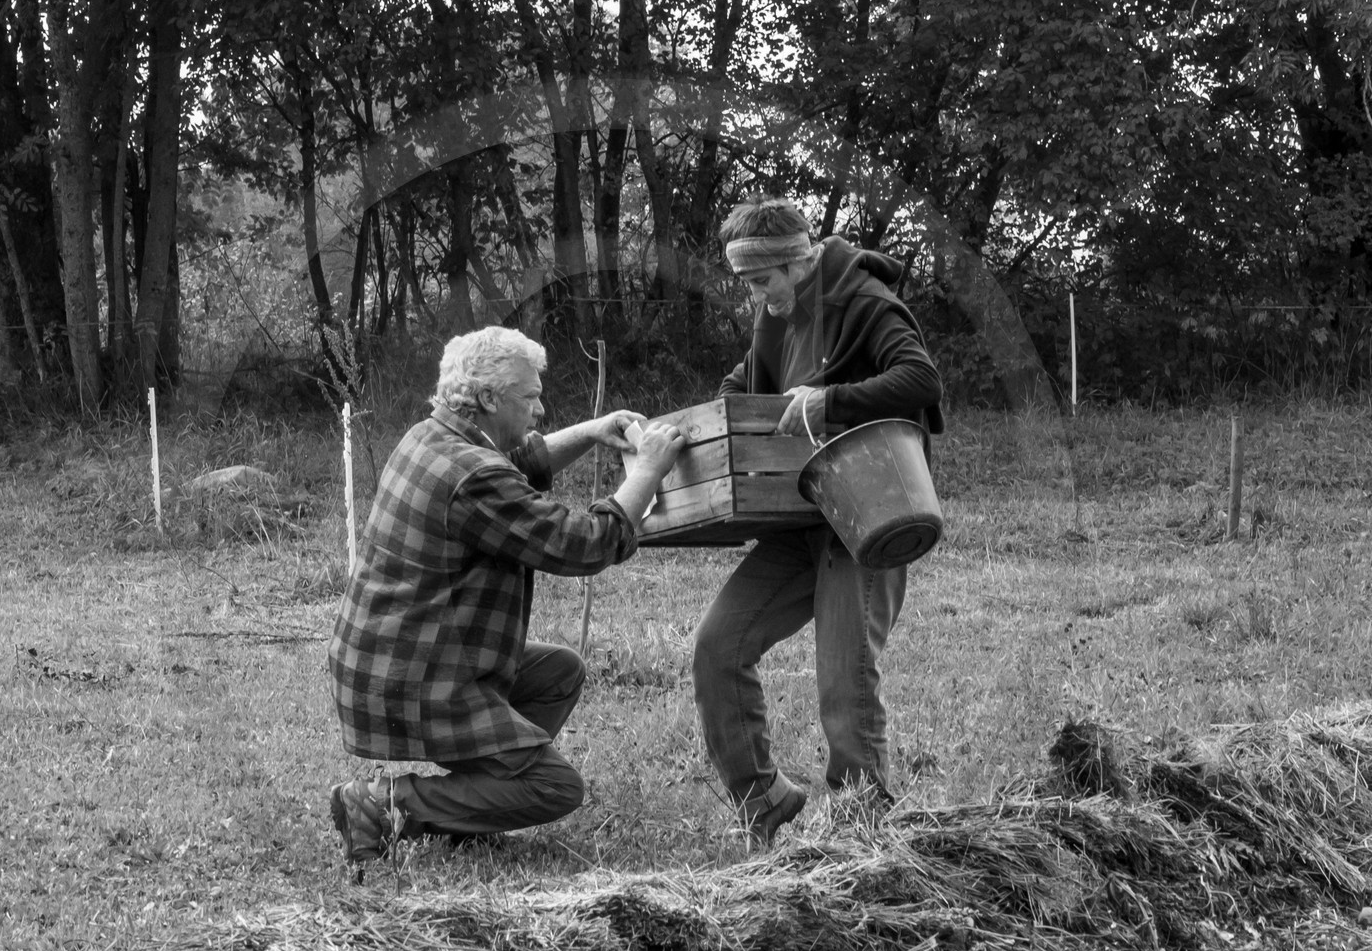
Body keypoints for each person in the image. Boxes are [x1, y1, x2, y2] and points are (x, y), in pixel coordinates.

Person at [327, 325, 686, 858]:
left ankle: (474, 802)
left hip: (390, 661)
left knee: (558, 673)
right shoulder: (473, 477)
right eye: (532, 397)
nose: (540, 409)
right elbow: (582, 544)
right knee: (555, 787)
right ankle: (385, 804)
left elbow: (517, 465)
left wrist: (592, 432)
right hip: (413, 679)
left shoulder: (432, 437)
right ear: (490, 398)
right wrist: (649, 472)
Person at [693, 195, 944, 849]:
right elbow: (742, 382)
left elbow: (920, 379)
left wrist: (829, 400)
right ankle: (764, 800)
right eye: (748, 283)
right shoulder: (775, 316)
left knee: (844, 674)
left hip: (866, 513)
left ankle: (864, 829)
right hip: (798, 518)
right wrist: (718, 422)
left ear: (797, 263)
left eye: (760, 281)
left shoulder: (862, 300)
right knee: (719, 646)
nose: (756, 295)